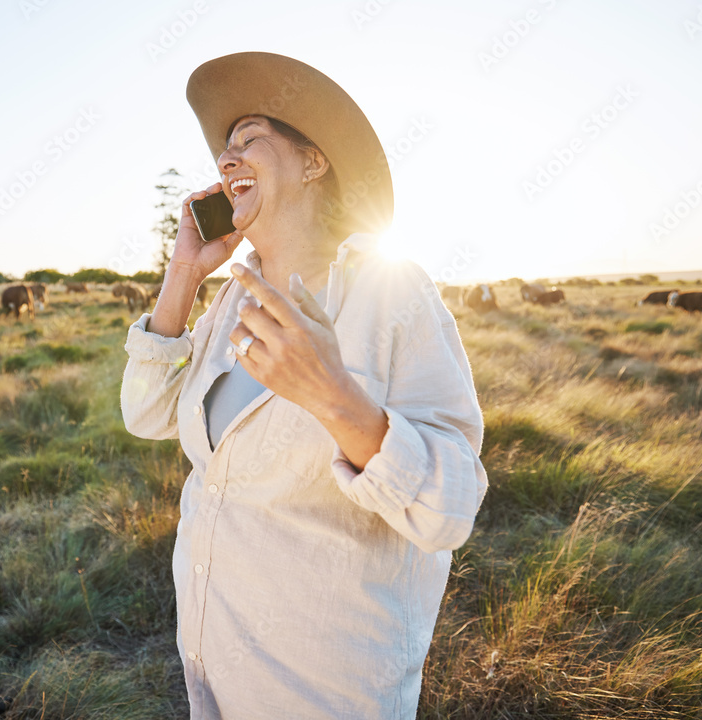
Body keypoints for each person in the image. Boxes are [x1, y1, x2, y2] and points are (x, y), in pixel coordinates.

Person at [121, 51, 489, 720]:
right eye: (223, 150)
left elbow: (449, 511)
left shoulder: (390, 290)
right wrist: (184, 275)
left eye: (250, 138)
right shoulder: (230, 303)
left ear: (315, 162)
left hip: (327, 688)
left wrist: (332, 395)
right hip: (212, 664)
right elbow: (145, 414)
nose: (227, 159)